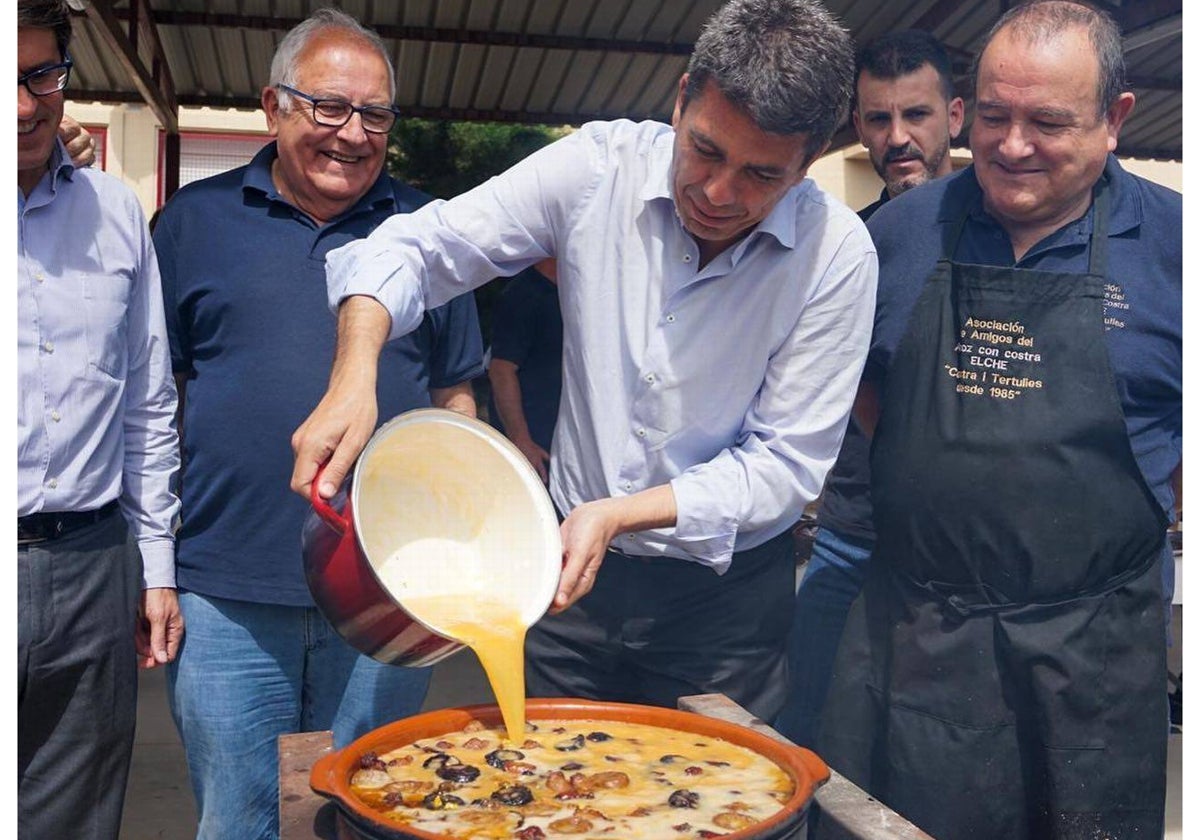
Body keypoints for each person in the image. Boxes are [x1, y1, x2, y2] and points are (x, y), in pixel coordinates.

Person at [292, 0, 877, 723]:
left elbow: (786, 464)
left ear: (811, 156)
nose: (719, 194)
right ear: (684, 96)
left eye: (762, 174)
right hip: (564, 582)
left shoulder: (836, 255)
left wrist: (623, 514)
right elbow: (416, 248)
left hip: (723, 611)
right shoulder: (597, 169)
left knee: (710, 812)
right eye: (705, 150)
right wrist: (355, 374)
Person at [819, 3, 1181, 838]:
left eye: (1047, 122)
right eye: (994, 116)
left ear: (1113, 120)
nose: (1013, 145)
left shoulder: (1174, 249)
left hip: (1093, 658)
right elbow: (868, 394)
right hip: (916, 645)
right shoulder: (900, 233)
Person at [152, 9, 484, 839]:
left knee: (378, 813)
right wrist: (156, 561)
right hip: (228, 591)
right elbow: (157, 406)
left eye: (375, 116)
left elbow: (457, 393)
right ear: (274, 106)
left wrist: (465, 532)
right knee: (240, 819)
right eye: (328, 107)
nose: (352, 135)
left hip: (389, 590)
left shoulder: (430, 233)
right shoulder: (193, 224)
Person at [17, 0, 184, 836]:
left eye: (40, 75)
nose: (22, 105)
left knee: (77, 815)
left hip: (92, 566)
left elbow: (147, 403)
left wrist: (155, 566)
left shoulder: (115, 212)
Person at [774, 30, 963, 748]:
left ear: (956, 116)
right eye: (879, 120)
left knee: (930, 742)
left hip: (960, 546)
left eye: (916, 115)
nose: (899, 137)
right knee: (806, 730)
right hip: (853, 530)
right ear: (858, 127)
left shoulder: (1000, 233)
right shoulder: (846, 242)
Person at [487, 257, 562, 483]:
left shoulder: (577, 295)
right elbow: (501, 371)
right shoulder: (523, 295)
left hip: (568, 441)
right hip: (536, 448)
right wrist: (521, 441)